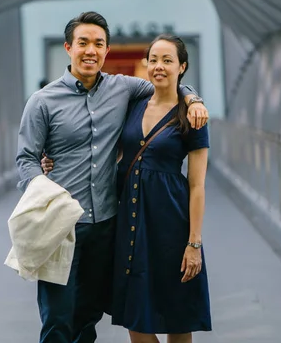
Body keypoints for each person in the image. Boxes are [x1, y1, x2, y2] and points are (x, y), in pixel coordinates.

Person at [16, 11, 208, 343]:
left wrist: (193, 98)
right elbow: (26, 160)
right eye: (83, 43)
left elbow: (167, 82)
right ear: (68, 47)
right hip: (61, 227)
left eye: (98, 44)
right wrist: (44, 194)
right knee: (58, 319)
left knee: (88, 316)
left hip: (106, 225)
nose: (90, 50)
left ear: (106, 50)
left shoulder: (124, 89)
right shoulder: (42, 102)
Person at [112, 34, 211, 342]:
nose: (158, 66)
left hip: (172, 224)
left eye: (167, 60)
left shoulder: (192, 115)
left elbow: (197, 186)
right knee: (136, 320)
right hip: (131, 223)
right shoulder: (133, 104)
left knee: (178, 318)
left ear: (182, 67)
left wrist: (193, 244)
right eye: (153, 59)